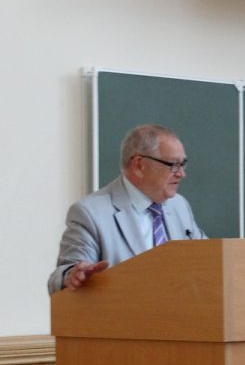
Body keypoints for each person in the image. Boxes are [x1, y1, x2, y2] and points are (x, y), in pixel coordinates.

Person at [47, 124, 206, 294]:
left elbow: (208, 259)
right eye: (173, 165)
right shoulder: (90, 213)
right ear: (139, 165)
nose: (181, 173)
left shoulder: (179, 206)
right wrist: (70, 275)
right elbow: (62, 275)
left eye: (183, 164)